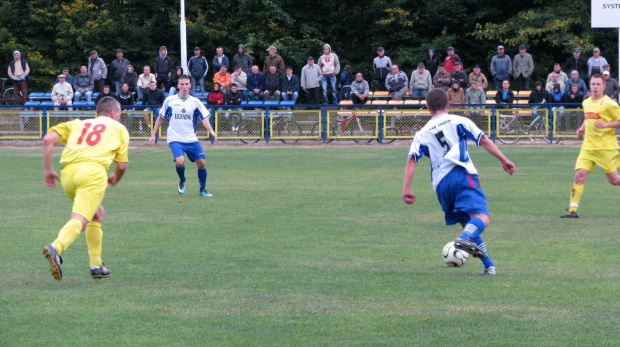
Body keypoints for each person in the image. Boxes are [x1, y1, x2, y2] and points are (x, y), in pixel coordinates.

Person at [402, 88, 515, 275]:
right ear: (448, 104)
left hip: (441, 185)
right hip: (462, 175)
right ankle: (463, 239)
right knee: (481, 219)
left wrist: (407, 188)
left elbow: (412, 159)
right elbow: (483, 140)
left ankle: (489, 266)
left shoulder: (422, 133)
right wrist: (504, 160)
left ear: (427, 107)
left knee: (467, 223)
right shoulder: (459, 121)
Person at [42, 96, 128, 281]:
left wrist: (48, 170)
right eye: (119, 114)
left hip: (68, 176)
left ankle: (96, 265)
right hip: (92, 174)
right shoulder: (119, 128)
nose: (119, 117)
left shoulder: (77, 123)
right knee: (80, 219)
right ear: (113, 113)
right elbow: (121, 166)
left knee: (96, 213)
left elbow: (48, 139)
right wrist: (115, 178)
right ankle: (56, 247)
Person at [560, 74, 620, 218]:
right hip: (588, 147)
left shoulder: (609, 103)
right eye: (593, 84)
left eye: (598, 84)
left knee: (614, 181)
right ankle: (572, 210)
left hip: (606, 148)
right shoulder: (586, 102)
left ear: (604, 87)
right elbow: (589, 119)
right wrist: (581, 129)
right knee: (579, 175)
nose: (595, 87)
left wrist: (606, 124)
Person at [149, 75, 217, 197]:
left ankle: (202, 190)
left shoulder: (196, 102)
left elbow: (204, 119)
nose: (184, 86)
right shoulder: (170, 100)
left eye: (187, 84)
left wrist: (212, 131)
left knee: (201, 163)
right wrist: (153, 134)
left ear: (190, 85)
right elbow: (161, 118)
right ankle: (182, 180)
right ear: (178, 85)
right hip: (175, 138)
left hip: (191, 138)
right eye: (182, 84)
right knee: (180, 162)